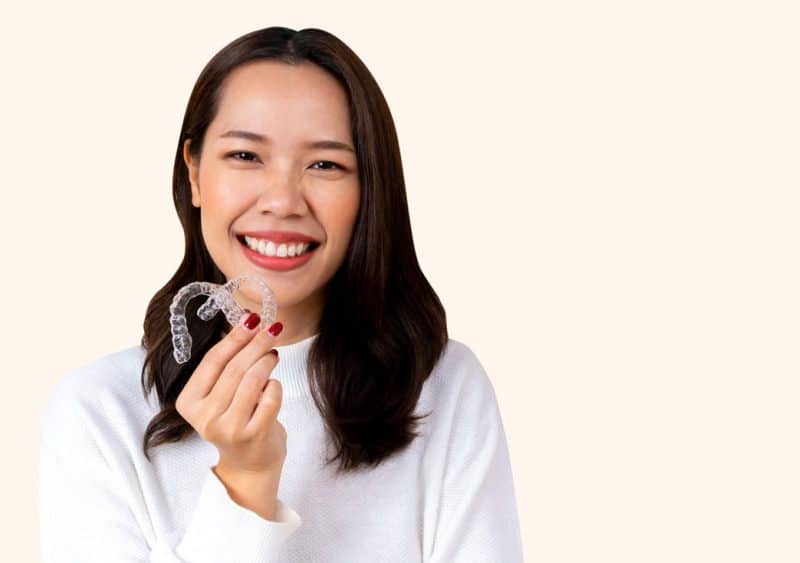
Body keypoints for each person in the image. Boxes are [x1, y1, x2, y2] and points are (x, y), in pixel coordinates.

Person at [37, 26, 524, 562]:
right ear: (194, 172)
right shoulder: (100, 412)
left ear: (369, 191)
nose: (283, 201)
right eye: (246, 156)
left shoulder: (444, 389)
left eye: (325, 165)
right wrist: (245, 481)